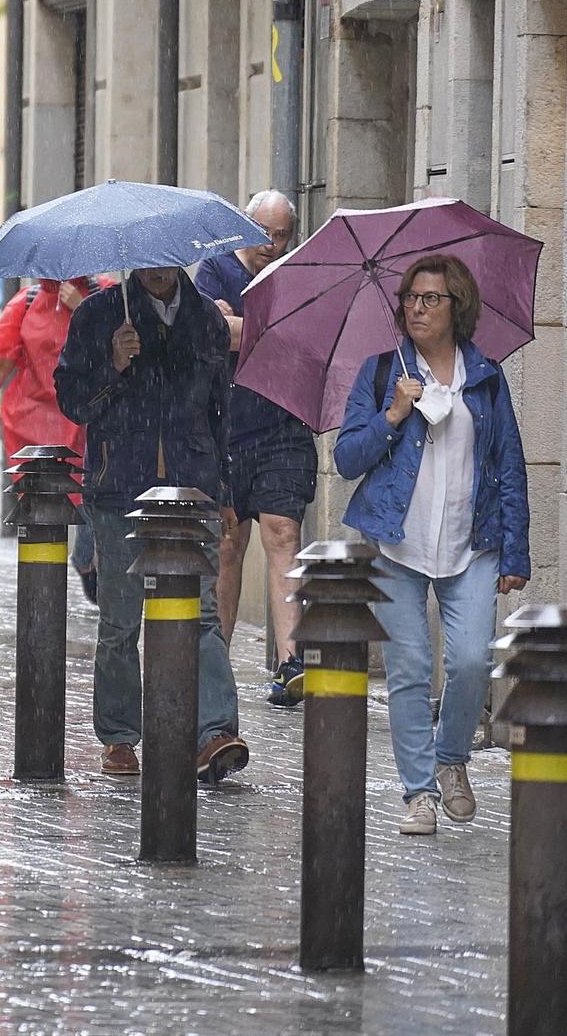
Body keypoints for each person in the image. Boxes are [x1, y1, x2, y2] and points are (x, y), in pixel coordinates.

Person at [335, 254, 529, 837]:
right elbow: (347, 459)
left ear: (456, 307)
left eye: (430, 299)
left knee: (472, 661)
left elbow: (509, 466)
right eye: (410, 299)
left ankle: (451, 761)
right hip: (398, 547)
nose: (416, 308)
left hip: (473, 544)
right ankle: (418, 793)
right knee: (410, 670)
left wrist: (515, 552)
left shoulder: (487, 379)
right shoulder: (380, 372)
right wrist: (394, 413)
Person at [55, 267, 248, 783]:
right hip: (119, 483)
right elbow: (71, 399)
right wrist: (113, 364)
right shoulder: (99, 314)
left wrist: (224, 492)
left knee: (203, 614)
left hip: (192, 485)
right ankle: (119, 735)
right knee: (121, 619)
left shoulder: (205, 317)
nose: (159, 267)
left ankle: (215, 732)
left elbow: (219, 412)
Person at [195, 189, 317, 706]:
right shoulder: (213, 272)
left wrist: (242, 330)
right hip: (224, 427)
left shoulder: (299, 276)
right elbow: (208, 335)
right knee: (227, 546)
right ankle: (215, 664)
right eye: (263, 232)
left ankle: (291, 661)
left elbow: (302, 340)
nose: (271, 244)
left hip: (283, 425)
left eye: (282, 235)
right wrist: (252, 332)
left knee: (283, 533)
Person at [0, 275, 101, 602]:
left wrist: (83, 309)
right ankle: (42, 606)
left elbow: (120, 350)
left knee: (92, 508)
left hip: (87, 420)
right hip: (35, 424)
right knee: (43, 518)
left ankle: (89, 568)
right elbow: (2, 362)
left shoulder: (105, 294)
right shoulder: (26, 301)